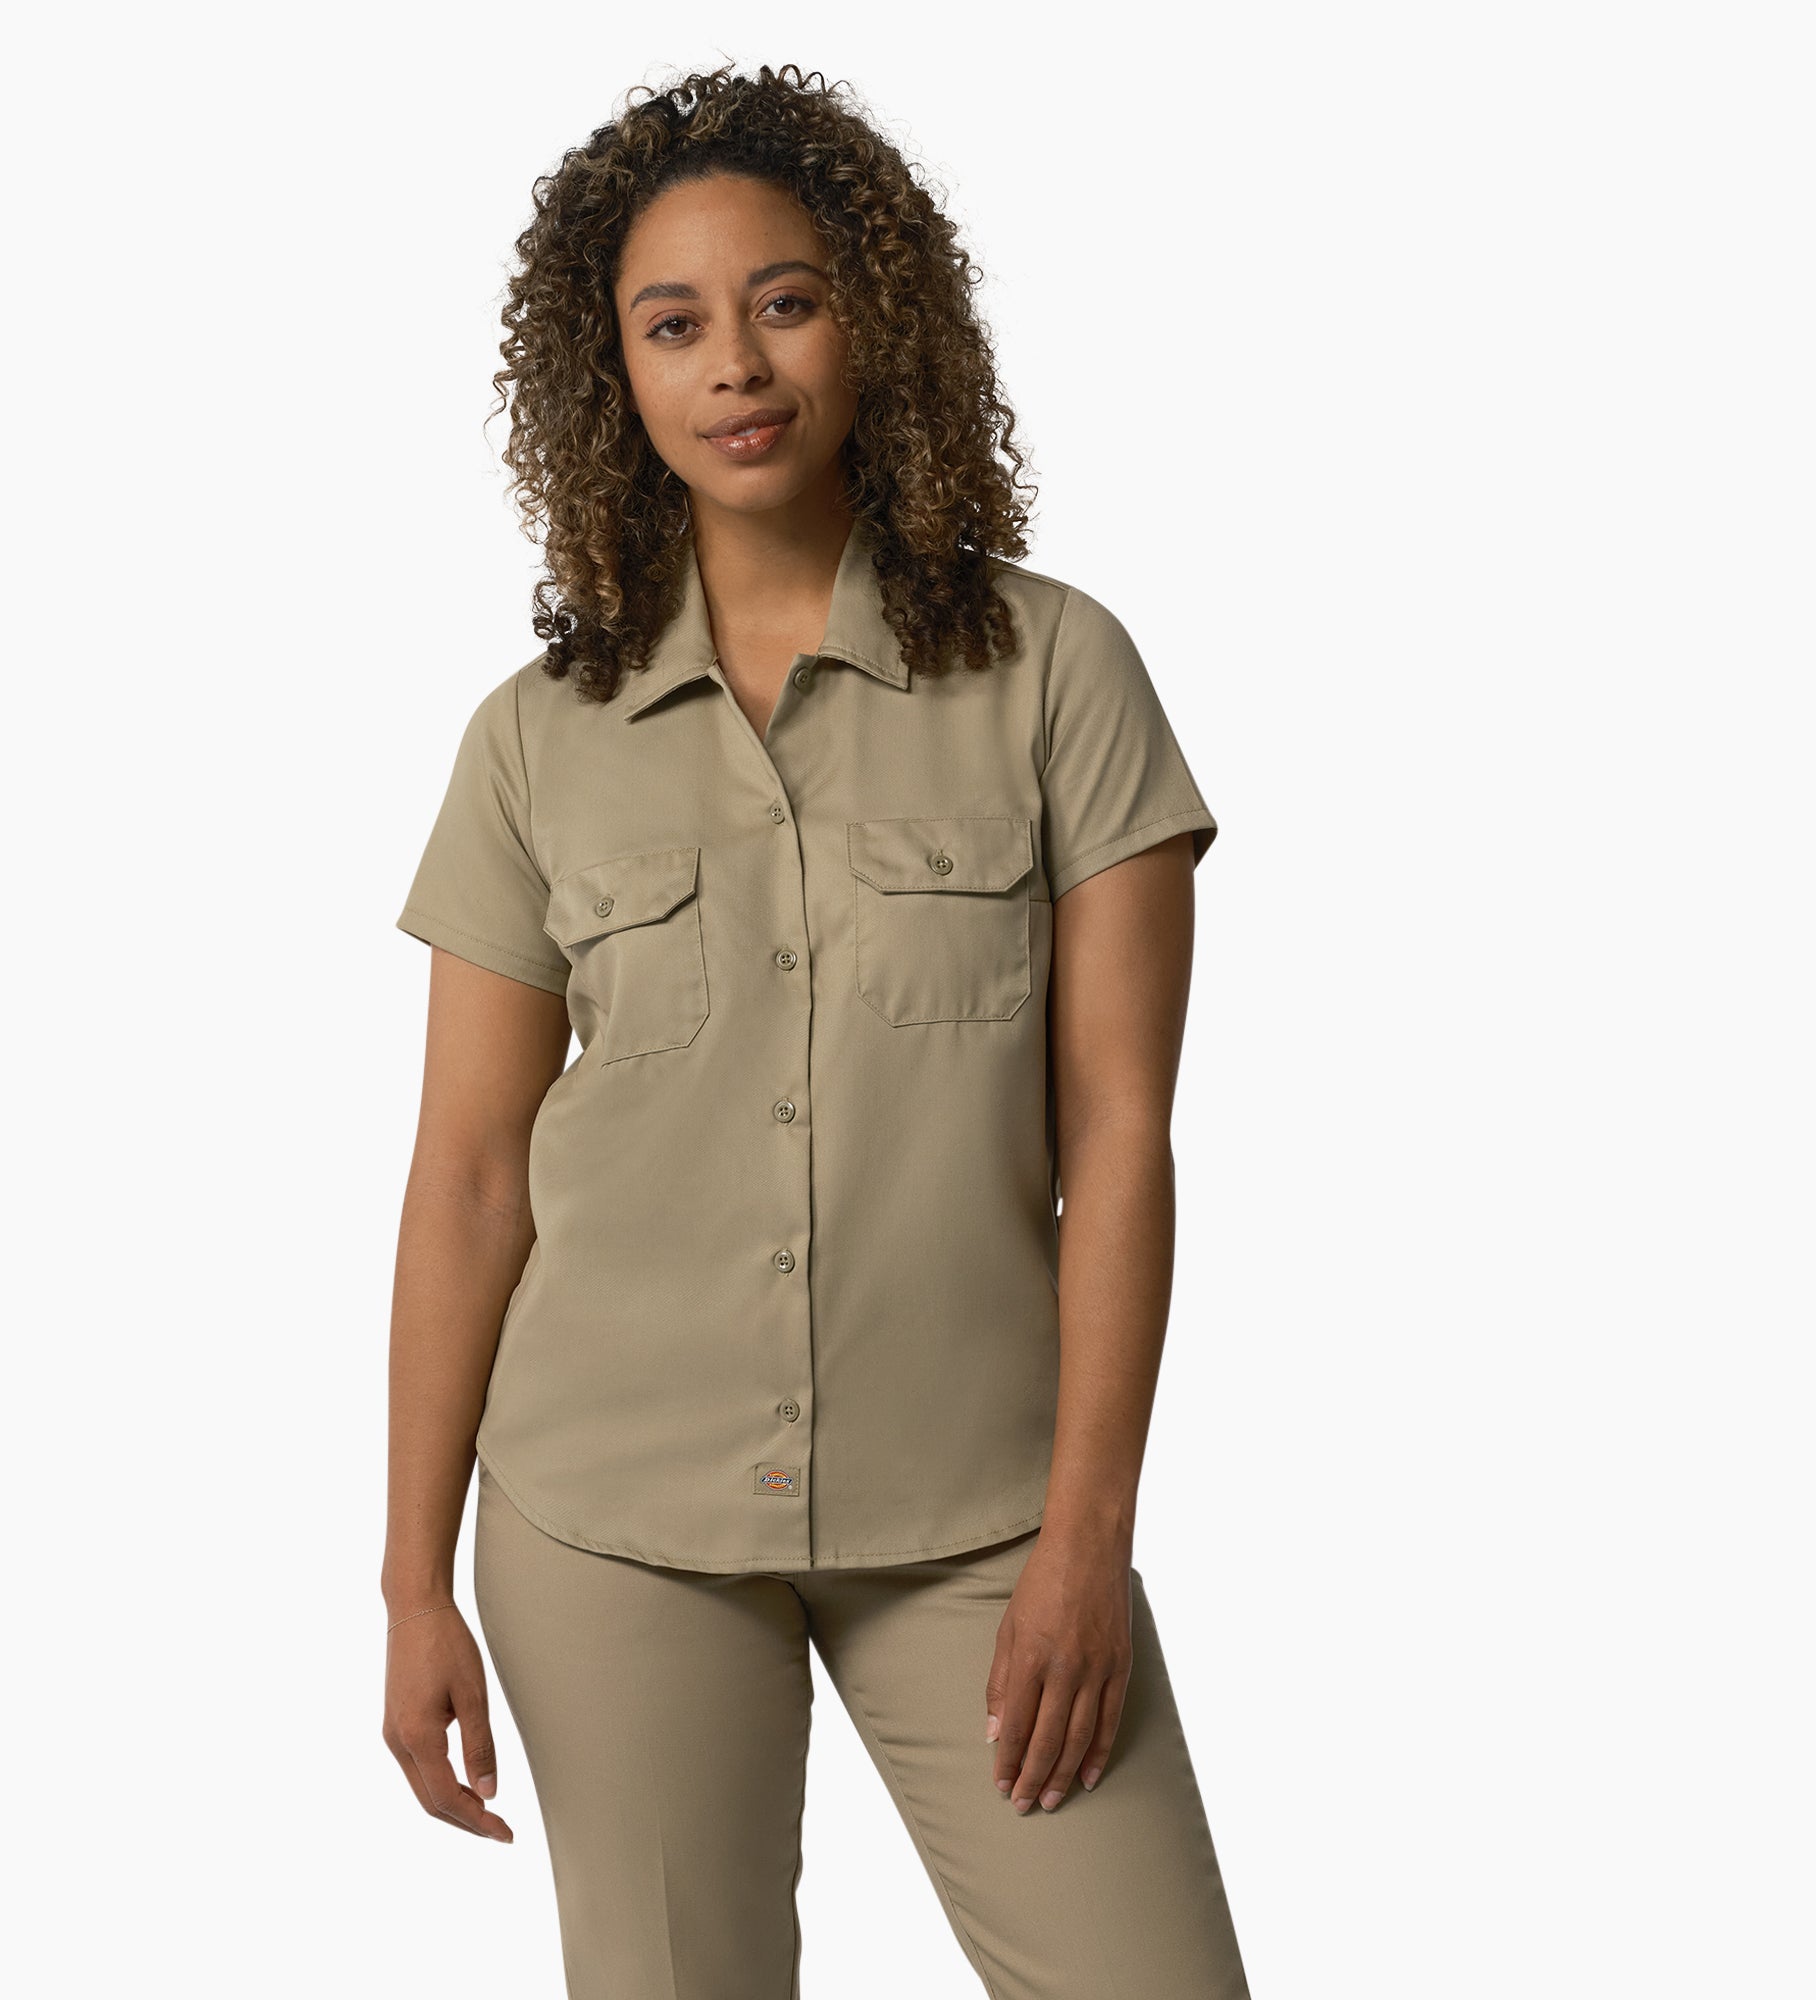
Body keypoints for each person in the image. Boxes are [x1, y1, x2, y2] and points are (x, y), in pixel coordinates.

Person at [381, 62, 1253, 2000]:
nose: (736, 364)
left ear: (875, 316)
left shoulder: (1058, 671)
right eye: (671, 323)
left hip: (983, 1509)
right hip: (609, 1515)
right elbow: (469, 1175)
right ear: (610, 373)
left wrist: (1088, 1537)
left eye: (784, 300)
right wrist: (409, 1578)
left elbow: (1121, 1131)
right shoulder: (533, 738)